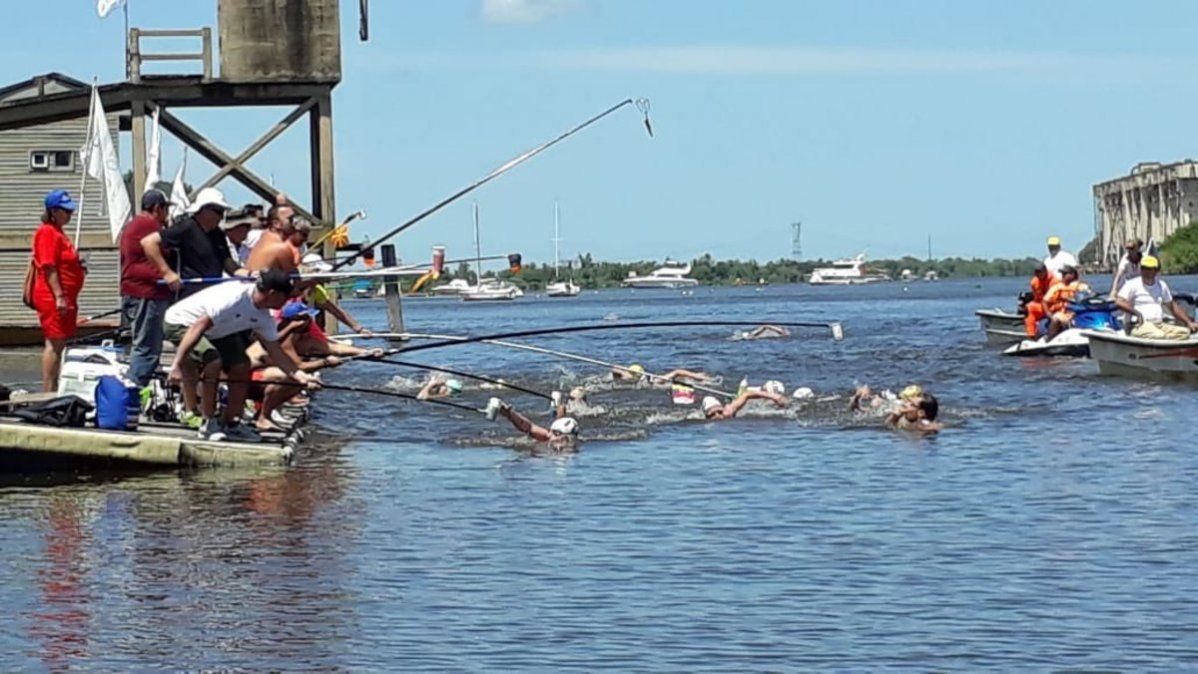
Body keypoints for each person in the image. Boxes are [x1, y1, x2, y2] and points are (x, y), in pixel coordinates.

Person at [164, 268, 318, 441]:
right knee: (213, 360)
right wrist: (176, 365)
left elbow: (275, 351)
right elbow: (198, 326)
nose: (287, 301)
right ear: (272, 293)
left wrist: (300, 376)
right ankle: (209, 423)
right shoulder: (234, 298)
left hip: (215, 330)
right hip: (182, 322)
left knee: (242, 365)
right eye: (286, 296)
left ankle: (233, 422)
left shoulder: (263, 317)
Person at [142, 187, 247, 298]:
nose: (221, 217)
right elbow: (148, 242)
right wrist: (167, 273)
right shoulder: (186, 227)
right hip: (189, 297)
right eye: (218, 212)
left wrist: (247, 273)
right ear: (204, 209)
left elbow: (228, 262)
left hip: (213, 295)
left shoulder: (218, 234)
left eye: (223, 212)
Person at [30, 190, 86, 392]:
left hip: (66, 296)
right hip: (52, 297)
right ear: (53, 211)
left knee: (60, 343)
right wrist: (59, 296)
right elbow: (48, 266)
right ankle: (48, 391)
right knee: (54, 343)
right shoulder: (47, 232)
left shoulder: (59, 233)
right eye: (66, 211)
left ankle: (54, 388)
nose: (70, 214)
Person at [119, 189, 172, 387]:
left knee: (141, 344)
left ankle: (134, 387)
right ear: (157, 208)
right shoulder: (150, 226)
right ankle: (134, 389)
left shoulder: (133, 225)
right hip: (147, 293)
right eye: (166, 209)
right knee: (147, 347)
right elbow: (168, 249)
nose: (167, 214)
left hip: (134, 292)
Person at [1115, 255, 1198, 340]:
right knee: (1159, 335)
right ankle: (1163, 340)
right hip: (1138, 324)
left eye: (1149, 268)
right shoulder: (1132, 284)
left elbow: (1172, 306)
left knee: (1184, 332)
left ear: (1155, 270)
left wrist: (1189, 322)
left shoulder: (1162, 285)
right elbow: (1119, 302)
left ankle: (1166, 343)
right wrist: (1136, 313)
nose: (1146, 271)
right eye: (1144, 268)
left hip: (1159, 324)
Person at [485, 396, 579, 449]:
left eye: (554, 433)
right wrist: (509, 414)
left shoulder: (560, 448)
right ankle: (560, 406)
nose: (549, 433)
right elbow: (529, 427)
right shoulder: (552, 437)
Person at [1043, 265, 1089, 341]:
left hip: (1079, 313)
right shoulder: (1057, 287)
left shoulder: (1082, 286)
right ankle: (1050, 339)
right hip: (1064, 314)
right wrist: (1048, 313)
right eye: (1062, 274)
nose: (1063, 276)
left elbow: (1090, 297)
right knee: (1056, 318)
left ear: (1072, 274)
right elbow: (1045, 301)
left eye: (1065, 274)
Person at [700, 389, 788, 420]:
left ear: (723, 408)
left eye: (720, 412)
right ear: (706, 416)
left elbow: (747, 394)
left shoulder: (729, 411)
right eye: (712, 414)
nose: (717, 416)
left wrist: (774, 397)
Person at [1024, 263, 1057, 337]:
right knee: (1028, 308)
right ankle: (1031, 334)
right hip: (1042, 306)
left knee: (1031, 307)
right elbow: (1036, 299)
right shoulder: (1034, 282)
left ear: (1045, 271)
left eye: (1040, 272)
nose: (1038, 274)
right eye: (1036, 272)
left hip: (1054, 306)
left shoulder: (1054, 281)